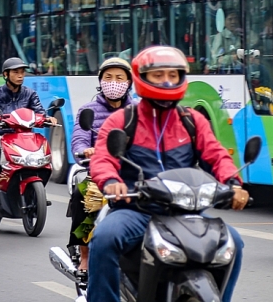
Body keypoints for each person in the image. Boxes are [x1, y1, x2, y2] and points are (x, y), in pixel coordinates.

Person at [87, 46, 250, 302]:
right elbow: (102, 158)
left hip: (186, 211)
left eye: (173, 75)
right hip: (137, 210)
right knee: (105, 237)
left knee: (234, 243)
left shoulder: (192, 120)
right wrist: (111, 182)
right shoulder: (122, 120)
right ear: (143, 77)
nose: (166, 80)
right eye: (158, 74)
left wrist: (233, 183)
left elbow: (216, 156)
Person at [66, 58, 135, 277]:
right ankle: (85, 255)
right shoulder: (88, 111)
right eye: (108, 77)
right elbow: (79, 139)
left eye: (119, 78)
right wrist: (85, 150)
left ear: (129, 82)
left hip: (134, 175)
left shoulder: (138, 111)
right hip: (100, 175)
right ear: (100, 81)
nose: (113, 82)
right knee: (83, 196)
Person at [0, 57, 54, 206]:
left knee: (41, 151)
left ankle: (36, 191)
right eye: (16, 72)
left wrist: (47, 118)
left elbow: (39, 111)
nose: (20, 75)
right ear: (6, 74)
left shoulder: (30, 94)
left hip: (21, 136)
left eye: (22, 72)